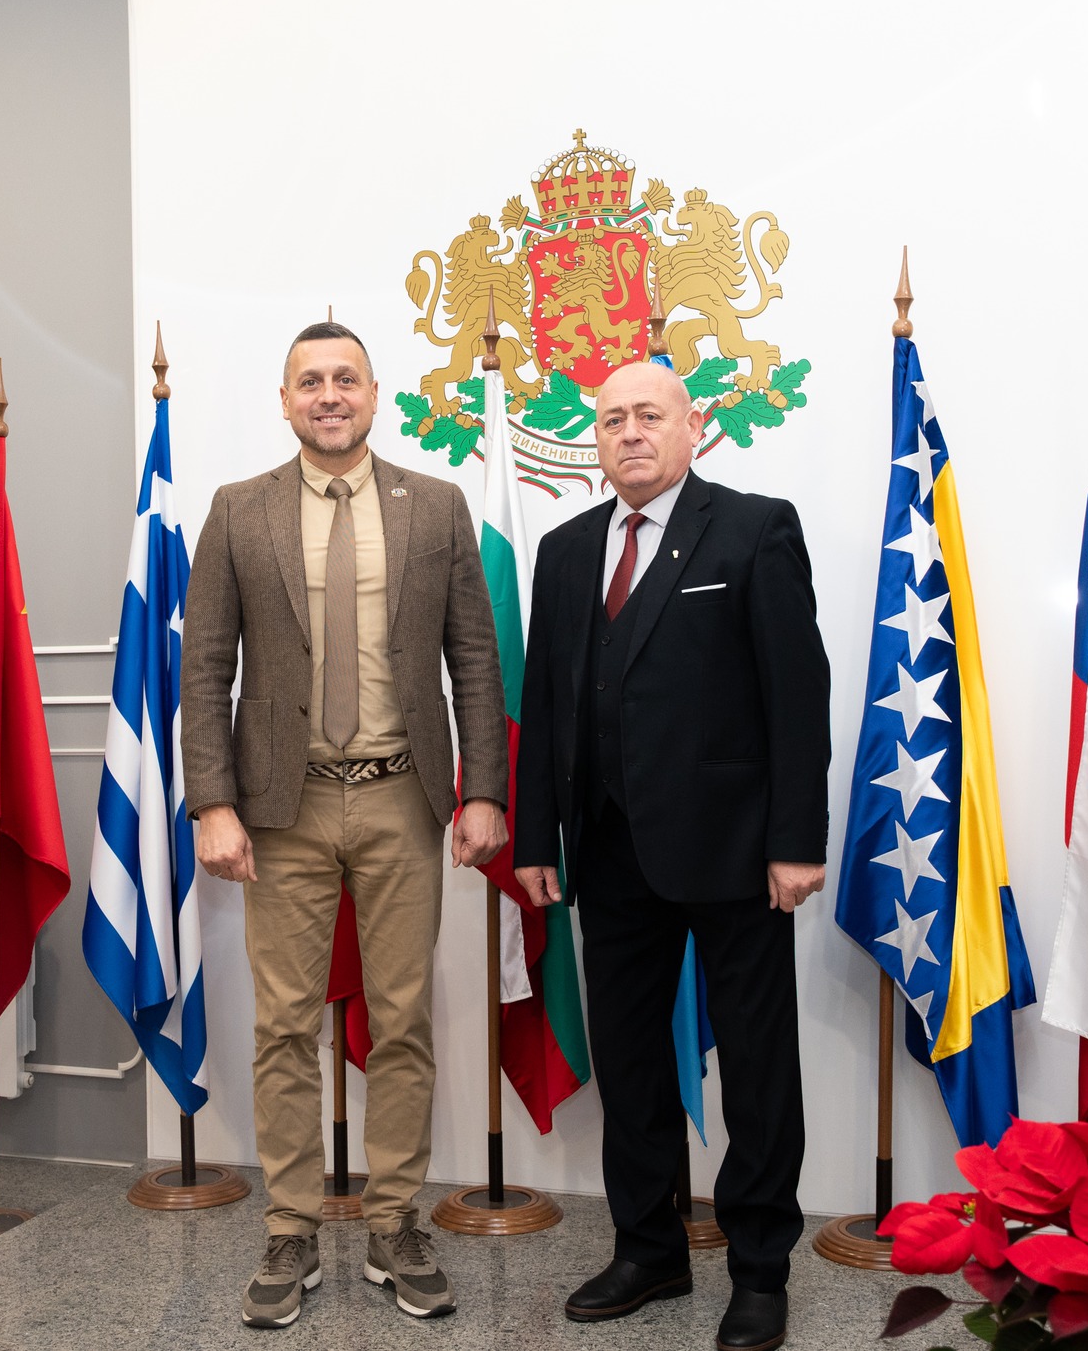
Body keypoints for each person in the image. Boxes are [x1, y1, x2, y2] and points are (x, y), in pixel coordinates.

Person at [182, 321, 509, 1330]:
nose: (329, 395)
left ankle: (392, 1224)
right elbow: (204, 668)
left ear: (374, 394)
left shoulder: (436, 506)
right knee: (283, 1025)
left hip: (403, 797)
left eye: (346, 379)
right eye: (310, 381)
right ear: (285, 401)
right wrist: (213, 803)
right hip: (282, 807)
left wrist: (484, 791)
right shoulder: (237, 511)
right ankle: (290, 1228)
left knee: (402, 1019)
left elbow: (474, 658)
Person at [513, 361, 830, 1351]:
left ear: (692, 427)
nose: (630, 434)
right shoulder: (566, 550)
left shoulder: (753, 529)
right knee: (632, 1064)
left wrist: (795, 842)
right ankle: (647, 1249)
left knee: (757, 1069)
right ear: (596, 439)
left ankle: (759, 1269)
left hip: (737, 854)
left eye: (649, 415)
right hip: (607, 853)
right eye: (612, 419)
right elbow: (545, 704)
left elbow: (797, 695)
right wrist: (535, 836)